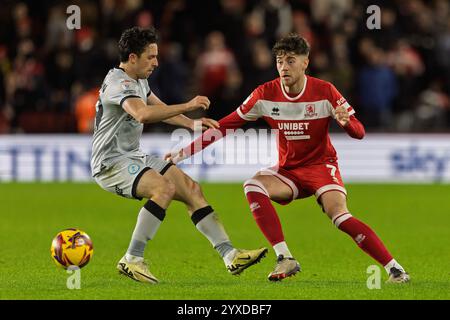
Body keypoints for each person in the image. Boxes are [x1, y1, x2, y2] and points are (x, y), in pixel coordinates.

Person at [168, 34, 410, 283]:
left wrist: (347, 124)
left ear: (305, 62)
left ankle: (395, 269)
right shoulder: (264, 94)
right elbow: (223, 126)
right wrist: (183, 153)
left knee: (339, 217)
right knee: (253, 184)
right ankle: (285, 257)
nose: (284, 67)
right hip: (288, 171)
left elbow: (359, 132)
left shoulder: (325, 91)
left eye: (290, 61)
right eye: (279, 61)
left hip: (320, 166)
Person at [90, 27, 267, 284]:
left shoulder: (138, 79)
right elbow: (142, 114)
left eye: (156, 56)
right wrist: (189, 104)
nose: (156, 62)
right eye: (150, 57)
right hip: (111, 164)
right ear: (132, 58)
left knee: (190, 188)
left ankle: (230, 255)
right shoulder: (119, 83)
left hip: (133, 156)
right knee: (163, 189)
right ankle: (132, 258)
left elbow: (158, 107)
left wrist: (191, 124)